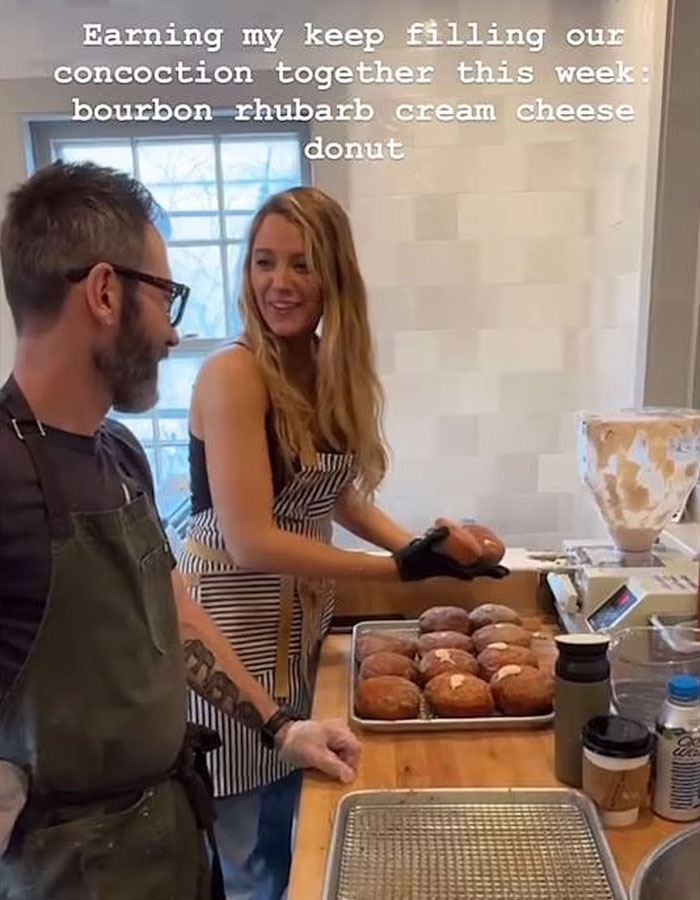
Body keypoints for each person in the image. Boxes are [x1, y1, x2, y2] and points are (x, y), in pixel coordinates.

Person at [0, 162, 366, 900]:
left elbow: (177, 608)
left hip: (172, 842)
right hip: (68, 874)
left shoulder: (120, 453)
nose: (173, 332)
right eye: (165, 297)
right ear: (105, 292)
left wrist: (279, 727)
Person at [180, 185, 507, 899]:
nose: (279, 283)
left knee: (291, 825)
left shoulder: (324, 367)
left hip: (293, 623)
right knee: (248, 850)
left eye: (300, 265)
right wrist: (396, 568)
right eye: (264, 263)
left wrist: (427, 546)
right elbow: (252, 540)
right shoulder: (234, 374)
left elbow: (335, 495)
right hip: (228, 626)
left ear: (335, 277)